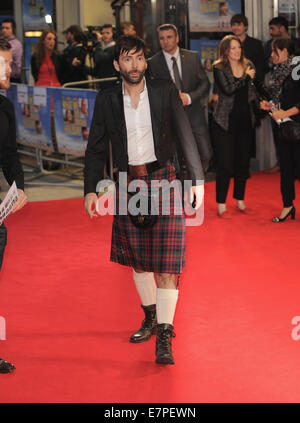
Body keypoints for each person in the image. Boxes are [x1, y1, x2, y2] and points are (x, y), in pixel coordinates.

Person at [84, 35, 204, 365]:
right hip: (127, 183)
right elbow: (96, 146)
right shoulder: (107, 98)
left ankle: (164, 332)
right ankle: (150, 316)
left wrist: (195, 179)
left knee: (166, 263)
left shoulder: (164, 90)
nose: (134, 65)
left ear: (144, 62)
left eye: (139, 58)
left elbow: (184, 135)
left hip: (163, 179)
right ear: (116, 65)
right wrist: (90, 189)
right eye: (127, 59)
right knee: (138, 259)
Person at [147, 23, 213, 172]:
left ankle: (195, 183)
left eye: (169, 37)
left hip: (194, 115)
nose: (165, 41)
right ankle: (184, 190)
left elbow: (205, 84)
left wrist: (189, 97)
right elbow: (152, 91)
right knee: (177, 161)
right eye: (161, 38)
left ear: (177, 38)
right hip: (169, 118)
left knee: (206, 154)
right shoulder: (152, 63)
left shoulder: (192, 57)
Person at [212, 35, 262, 219]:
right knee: (225, 165)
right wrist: (245, 78)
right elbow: (228, 90)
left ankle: (240, 200)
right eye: (232, 48)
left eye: (238, 47)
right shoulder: (219, 67)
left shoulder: (248, 64)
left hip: (244, 121)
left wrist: (263, 104)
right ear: (225, 51)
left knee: (243, 163)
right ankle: (221, 204)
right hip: (224, 123)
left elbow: (254, 90)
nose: (237, 51)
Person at [0, 39, 27, 373]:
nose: (10, 68)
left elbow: (8, 152)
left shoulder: (4, 107)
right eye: (5, 63)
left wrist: (18, 187)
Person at [260, 38, 300, 222]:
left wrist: (287, 112)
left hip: (297, 124)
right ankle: (287, 205)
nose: (271, 55)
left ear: (285, 52)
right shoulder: (276, 71)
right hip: (283, 127)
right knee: (286, 168)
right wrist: (270, 107)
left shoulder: (297, 68)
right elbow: (279, 98)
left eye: (275, 51)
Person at [231, 14, 267, 83]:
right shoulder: (227, 44)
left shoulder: (256, 44)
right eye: (233, 25)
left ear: (245, 27)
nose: (236, 27)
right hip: (232, 85)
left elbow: (261, 67)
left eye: (238, 25)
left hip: (252, 83)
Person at [92, 24, 118, 89]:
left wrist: (98, 43)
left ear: (113, 35)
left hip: (111, 84)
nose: (104, 35)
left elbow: (99, 59)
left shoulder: (115, 48)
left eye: (108, 33)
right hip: (103, 84)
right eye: (103, 33)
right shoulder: (104, 49)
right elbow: (97, 69)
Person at [0, 19, 23, 83]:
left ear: (13, 30)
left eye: (7, 28)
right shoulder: (2, 40)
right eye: (3, 28)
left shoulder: (16, 44)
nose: (4, 30)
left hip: (12, 78)